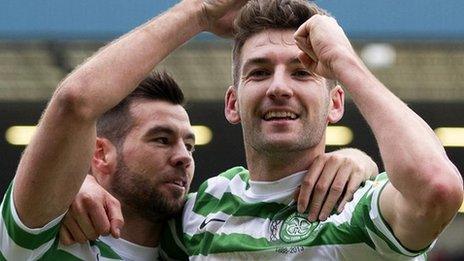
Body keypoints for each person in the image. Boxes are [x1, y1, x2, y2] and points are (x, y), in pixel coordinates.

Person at [0, 0, 377, 260]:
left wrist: (357, 160)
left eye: (190, 144)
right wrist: (198, 12)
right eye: (161, 139)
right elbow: (75, 104)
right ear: (100, 154)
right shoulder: (48, 236)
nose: (183, 157)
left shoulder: (193, 238)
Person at [157, 0, 463, 260]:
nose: (278, 87)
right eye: (260, 72)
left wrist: (343, 60)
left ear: (336, 104)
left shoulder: (362, 206)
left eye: (302, 72)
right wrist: (195, 11)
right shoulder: (197, 212)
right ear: (232, 103)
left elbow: (437, 187)